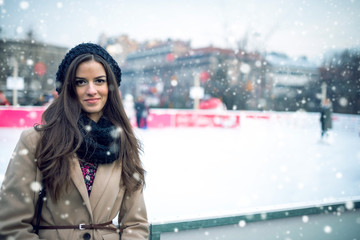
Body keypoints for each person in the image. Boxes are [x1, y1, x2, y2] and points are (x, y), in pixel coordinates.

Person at [0, 43, 148, 239]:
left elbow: (136, 224)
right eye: (81, 82)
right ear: (68, 88)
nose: (91, 90)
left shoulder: (123, 143)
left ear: (110, 86)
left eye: (99, 81)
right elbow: (12, 226)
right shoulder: (35, 141)